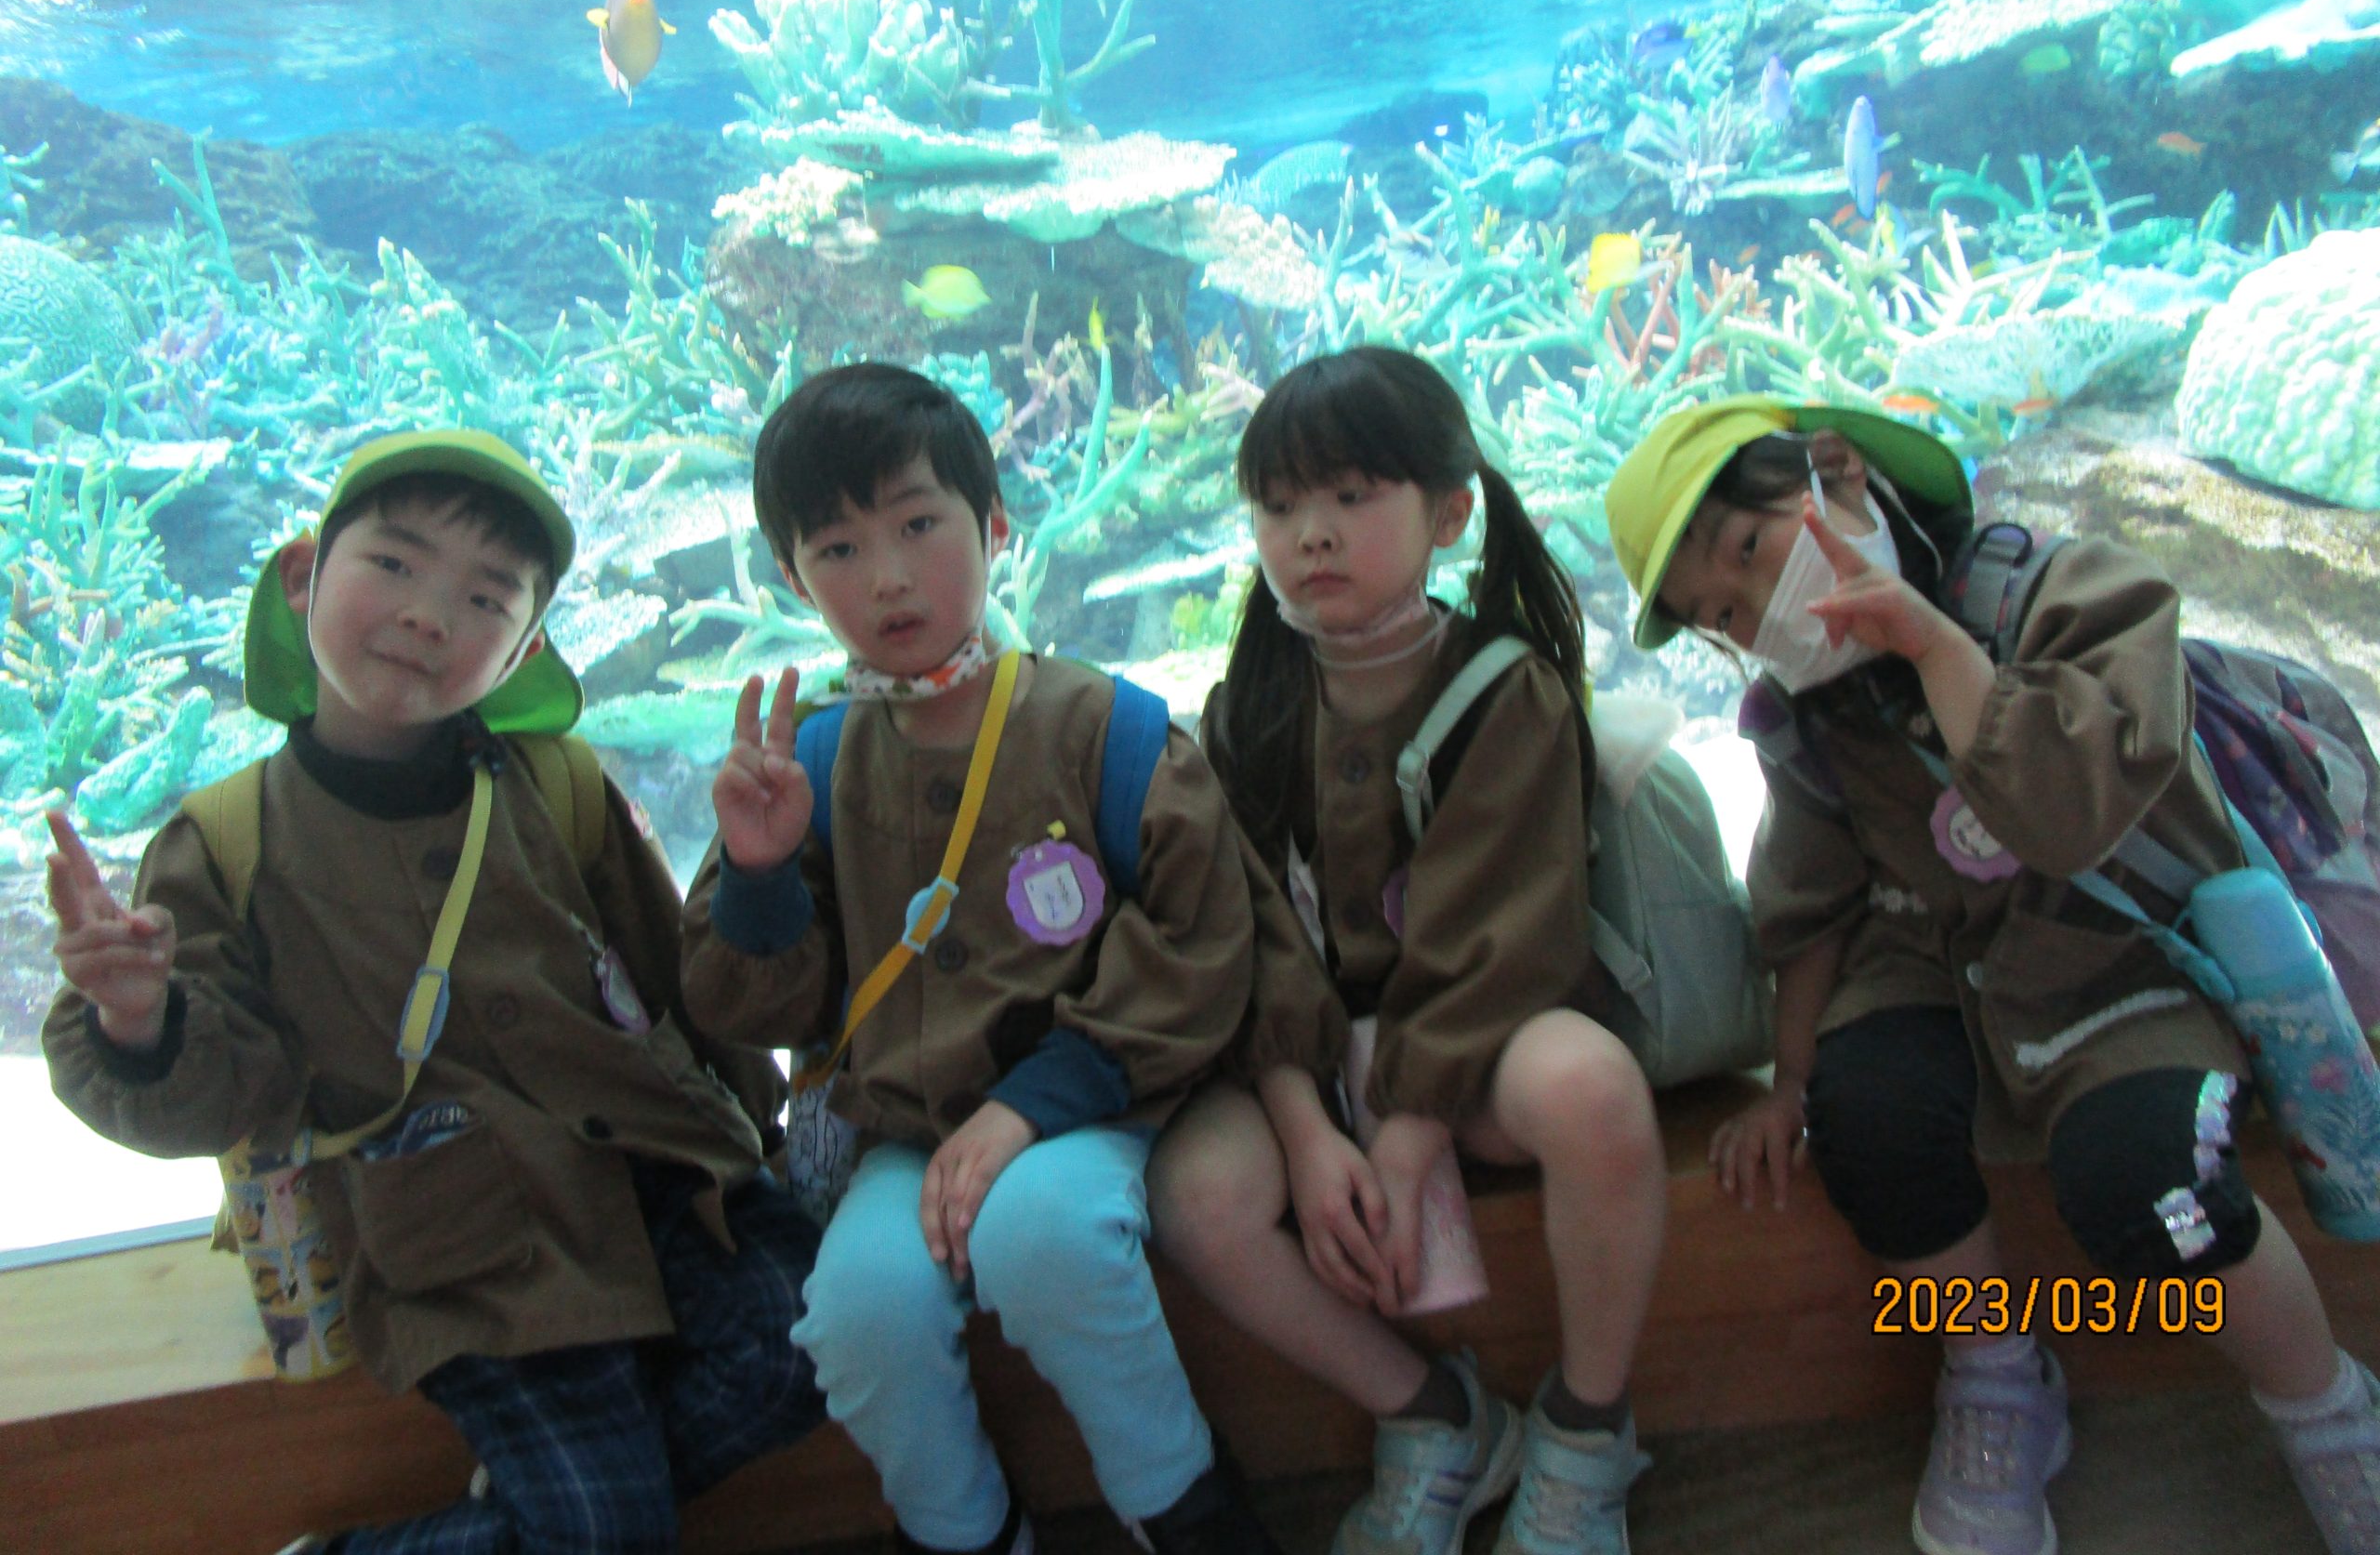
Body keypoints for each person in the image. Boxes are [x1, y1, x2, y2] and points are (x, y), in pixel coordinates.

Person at [1604, 393, 2380, 1555]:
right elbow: (1812, 904)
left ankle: (2325, 1408)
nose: (1755, 613)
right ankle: (1996, 1368)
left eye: (1752, 552)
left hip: (2119, 959)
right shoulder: (1803, 719)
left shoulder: (2071, 595)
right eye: (1721, 615)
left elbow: (2063, 818)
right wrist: (1789, 1083)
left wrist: (1934, 646)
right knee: (1865, 1124)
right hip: (1932, 961)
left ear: (1838, 475)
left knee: (2149, 1186)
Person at [43, 429, 826, 1555]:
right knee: (609, 1531)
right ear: (304, 575)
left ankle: (561, 1513)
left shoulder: (559, 783)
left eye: (484, 598)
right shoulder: (223, 841)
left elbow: (677, 983)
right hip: (471, 1251)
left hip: (665, 1173)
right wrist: (137, 1017)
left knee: (809, 1357)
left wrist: (763, 1128)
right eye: (395, 564)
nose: (427, 615)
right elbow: (225, 1096)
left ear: (523, 650)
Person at [679, 362, 1286, 1555]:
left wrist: (1035, 1103)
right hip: (909, 1131)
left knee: (1044, 1236)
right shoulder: (814, 757)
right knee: (856, 1312)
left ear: (996, 525)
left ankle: (1185, 1509)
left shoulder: (1104, 725)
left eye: (918, 524)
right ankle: (965, 1533)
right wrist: (757, 871)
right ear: (794, 576)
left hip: (1093, 1101)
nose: (887, 576)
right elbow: (748, 1000)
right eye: (838, 548)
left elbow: (1198, 939)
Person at [1147, 347, 1668, 1555]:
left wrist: (1403, 1137)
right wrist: (1305, 1131)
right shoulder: (1247, 710)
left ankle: (1586, 1433)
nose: (1311, 534)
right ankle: (1434, 1416)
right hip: (1313, 1055)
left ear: (1448, 514)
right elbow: (1245, 937)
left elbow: (1501, 938)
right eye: (1280, 506)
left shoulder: (1505, 690)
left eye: (1350, 496)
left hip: (1476, 1052)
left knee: (1592, 1091)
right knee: (1195, 1196)